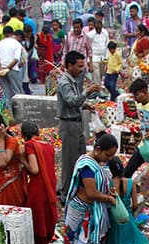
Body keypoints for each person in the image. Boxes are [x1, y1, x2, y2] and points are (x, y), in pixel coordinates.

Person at [59, 134, 118, 244]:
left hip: (93, 212)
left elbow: (100, 185)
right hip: (80, 211)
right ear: (98, 150)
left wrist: (108, 190)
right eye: (108, 155)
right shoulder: (87, 165)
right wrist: (108, 198)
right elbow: (91, 193)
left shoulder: (98, 164)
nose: (109, 159)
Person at [57, 50, 102, 196]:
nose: (82, 69)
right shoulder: (65, 82)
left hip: (76, 123)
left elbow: (76, 101)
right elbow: (71, 101)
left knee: (80, 158)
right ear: (70, 66)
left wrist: (85, 105)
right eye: (79, 66)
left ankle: (77, 189)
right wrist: (87, 92)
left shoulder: (73, 80)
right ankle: (66, 194)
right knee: (69, 162)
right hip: (68, 124)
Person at [17, 122, 59, 244]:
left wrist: (22, 159)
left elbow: (34, 169)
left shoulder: (30, 146)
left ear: (24, 135)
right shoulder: (48, 146)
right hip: (49, 189)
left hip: (38, 190)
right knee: (45, 223)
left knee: (38, 226)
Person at [0, 26, 24, 113]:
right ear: (12, 33)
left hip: (2, 70)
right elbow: (16, 59)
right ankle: (19, 112)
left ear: (4, 34)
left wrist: (1, 68)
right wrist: (8, 68)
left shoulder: (0, 43)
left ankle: (9, 113)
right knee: (16, 91)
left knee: (6, 91)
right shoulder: (17, 44)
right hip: (13, 70)